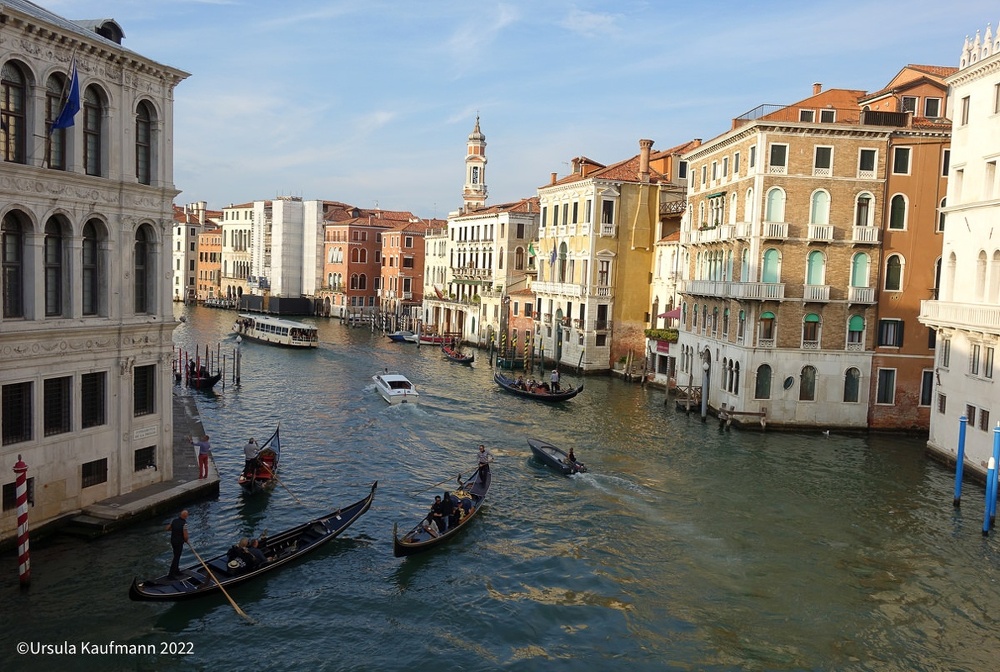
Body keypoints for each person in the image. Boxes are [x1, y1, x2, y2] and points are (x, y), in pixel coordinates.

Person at [166, 510, 189, 578]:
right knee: (176, 557)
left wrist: (175, 529)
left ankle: (176, 570)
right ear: (185, 516)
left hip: (173, 541)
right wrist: (186, 540)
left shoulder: (174, 520)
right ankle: (171, 574)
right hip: (179, 542)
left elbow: (167, 528)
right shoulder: (184, 524)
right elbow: (185, 536)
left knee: (176, 556)